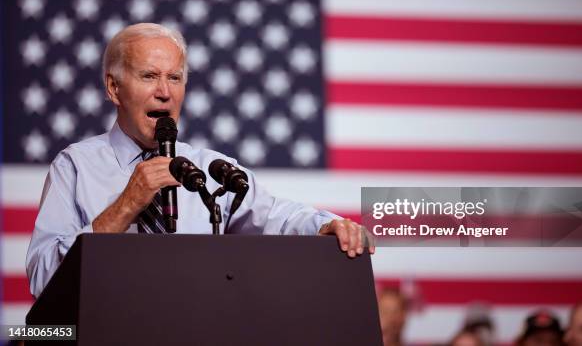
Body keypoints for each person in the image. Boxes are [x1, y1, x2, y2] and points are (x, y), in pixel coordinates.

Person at [26, 23, 373, 298]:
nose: (165, 91)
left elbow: (276, 214)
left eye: (174, 78)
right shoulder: (74, 166)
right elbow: (43, 278)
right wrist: (126, 205)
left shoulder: (209, 168)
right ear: (113, 88)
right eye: (149, 76)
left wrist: (326, 225)